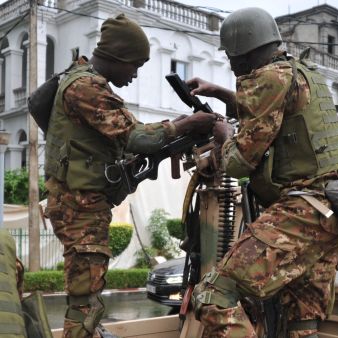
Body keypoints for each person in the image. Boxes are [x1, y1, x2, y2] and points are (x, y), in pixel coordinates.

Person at [43, 14, 216, 338]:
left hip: (82, 202)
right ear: (118, 56)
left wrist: (172, 128)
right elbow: (137, 137)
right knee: (85, 300)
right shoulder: (87, 87)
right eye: (134, 65)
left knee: (88, 296)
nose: (135, 74)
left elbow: (124, 137)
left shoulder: (84, 80)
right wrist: (188, 125)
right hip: (79, 205)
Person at [188, 7, 338, 338]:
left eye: (231, 57)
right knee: (302, 319)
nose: (231, 64)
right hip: (331, 211)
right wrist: (221, 93)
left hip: (301, 211)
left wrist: (223, 139)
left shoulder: (266, 78)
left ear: (243, 50)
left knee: (213, 295)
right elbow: (275, 111)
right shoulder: (304, 74)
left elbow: (237, 163)